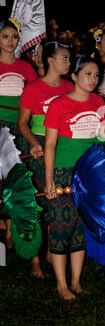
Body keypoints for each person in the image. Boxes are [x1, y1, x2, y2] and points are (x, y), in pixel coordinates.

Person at [44, 57, 105, 300]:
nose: (93, 79)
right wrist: (50, 179)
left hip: (89, 174)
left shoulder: (99, 102)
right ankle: (61, 285)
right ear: (74, 76)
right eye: (88, 74)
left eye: (96, 75)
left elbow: (102, 140)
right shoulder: (59, 104)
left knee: (82, 225)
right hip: (64, 171)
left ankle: (76, 281)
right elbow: (50, 144)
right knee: (61, 226)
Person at [18, 41, 74, 277]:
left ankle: (53, 251)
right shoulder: (33, 88)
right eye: (65, 58)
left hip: (61, 149)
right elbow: (22, 123)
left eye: (70, 59)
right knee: (37, 204)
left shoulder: (71, 87)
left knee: (57, 201)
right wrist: (33, 143)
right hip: (38, 148)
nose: (69, 63)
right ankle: (34, 258)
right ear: (50, 60)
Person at [0, 18, 37, 249]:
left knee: (16, 177)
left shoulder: (25, 67)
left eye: (14, 37)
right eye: (5, 36)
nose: (10, 41)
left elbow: (35, 96)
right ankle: (4, 224)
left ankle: (13, 226)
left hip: (19, 128)